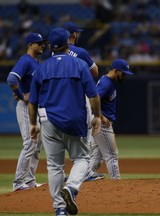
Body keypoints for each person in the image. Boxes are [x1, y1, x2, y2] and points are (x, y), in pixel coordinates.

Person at [28, 27, 101, 216]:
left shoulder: (41, 67)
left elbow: (32, 102)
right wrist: (97, 116)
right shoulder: (79, 65)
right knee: (82, 158)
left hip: (48, 121)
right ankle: (71, 188)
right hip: (73, 120)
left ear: (51, 45)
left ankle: (59, 209)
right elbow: (93, 96)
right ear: (68, 43)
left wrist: (33, 124)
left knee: (54, 165)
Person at [63, 21, 104, 181]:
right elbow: (95, 71)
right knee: (87, 133)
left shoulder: (53, 54)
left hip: (60, 97)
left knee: (62, 136)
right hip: (79, 96)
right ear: (73, 34)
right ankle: (84, 172)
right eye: (77, 32)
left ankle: (73, 172)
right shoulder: (80, 52)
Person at [6, 32, 46, 191]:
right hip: (26, 108)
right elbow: (11, 79)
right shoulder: (25, 61)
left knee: (37, 146)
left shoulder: (36, 63)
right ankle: (18, 183)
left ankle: (29, 181)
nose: (42, 45)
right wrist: (22, 96)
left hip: (37, 108)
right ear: (30, 45)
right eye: (39, 42)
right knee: (30, 143)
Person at [83, 58, 133, 180]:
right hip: (102, 124)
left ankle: (82, 178)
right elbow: (92, 99)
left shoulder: (109, 81)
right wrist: (101, 116)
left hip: (99, 122)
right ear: (115, 71)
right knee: (111, 155)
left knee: (97, 157)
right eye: (123, 73)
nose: (124, 76)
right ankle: (117, 183)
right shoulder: (106, 83)